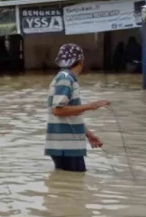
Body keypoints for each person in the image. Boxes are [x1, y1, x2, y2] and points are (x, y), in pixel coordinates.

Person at [45, 43, 107, 173]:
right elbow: (58, 110)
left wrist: (88, 134)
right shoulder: (66, 79)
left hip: (66, 146)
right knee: (73, 185)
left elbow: (69, 114)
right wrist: (90, 106)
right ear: (81, 60)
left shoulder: (65, 79)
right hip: (66, 147)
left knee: (69, 185)